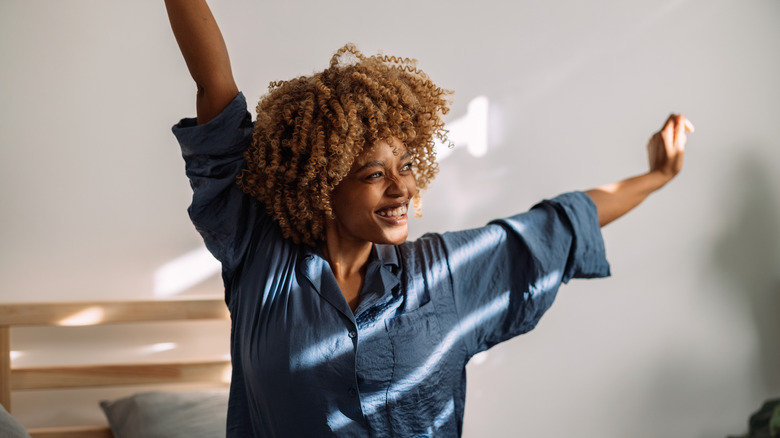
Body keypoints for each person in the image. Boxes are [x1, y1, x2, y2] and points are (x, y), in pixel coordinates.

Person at [165, 1, 694, 437]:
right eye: (374, 173)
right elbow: (216, 89)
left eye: (408, 166)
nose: (401, 187)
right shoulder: (261, 255)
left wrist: (656, 176)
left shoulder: (444, 274)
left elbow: (560, 221)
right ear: (322, 185)